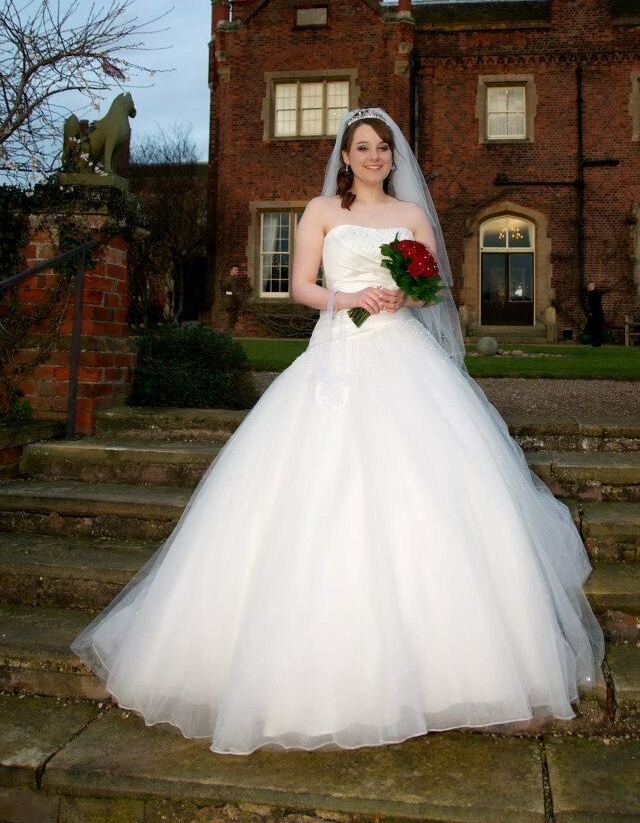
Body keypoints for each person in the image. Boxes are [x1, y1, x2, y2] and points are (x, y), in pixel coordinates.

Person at [71, 107, 604, 755]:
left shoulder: (411, 218)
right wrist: (348, 299)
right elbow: (300, 285)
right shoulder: (322, 211)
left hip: (403, 358)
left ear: (392, 156)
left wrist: (402, 296)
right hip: (335, 356)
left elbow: (431, 287)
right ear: (345, 156)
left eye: (383, 147)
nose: (375, 156)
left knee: (429, 496)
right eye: (362, 147)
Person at [221, 264, 242, 333]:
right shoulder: (233, 279)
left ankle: (227, 336)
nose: (237, 271)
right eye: (235, 270)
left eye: (237, 270)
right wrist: (239, 303)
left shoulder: (226, 278)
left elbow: (223, 290)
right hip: (232, 303)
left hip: (227, 302)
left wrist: (227, 297)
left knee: (230, 319)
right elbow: (234, 293)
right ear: (231, 271)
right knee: (232, 320)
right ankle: (228, 336)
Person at [586, 281, 604, 347]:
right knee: (598, 328)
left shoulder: (591, 294)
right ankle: (598, 342)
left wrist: (590, 312)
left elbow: (591, 305)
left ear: (590, 287)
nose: (587, 288)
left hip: (594, 314)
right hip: (599, 314)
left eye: (588, 286)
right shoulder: (598, 294)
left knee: (593, 328)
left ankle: (594, 342)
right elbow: (599, 305)